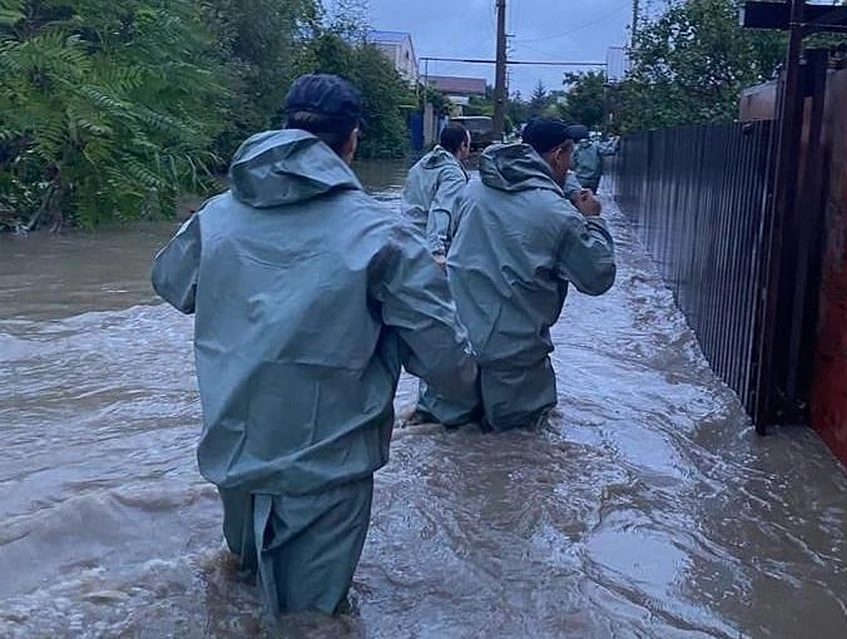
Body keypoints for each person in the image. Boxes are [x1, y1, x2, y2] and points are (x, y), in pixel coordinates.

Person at [150, 74, 478, 616]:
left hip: (234, 454)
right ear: (351, 141)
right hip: (325, 472)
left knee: (244, 594)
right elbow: (450, 365)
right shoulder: (382, 234)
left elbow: (170, 284)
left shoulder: (217, 215)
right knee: (310, 620)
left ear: (284, 128)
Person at [421, 117, 617, 431]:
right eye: (569, 157)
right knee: (520, 454)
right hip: (514, 371)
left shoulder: (472, 190)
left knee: (442, 443)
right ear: (559, 155)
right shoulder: (558, 214)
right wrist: (593, 220)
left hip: (452, 355)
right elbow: (598, 277)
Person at [400, 123, 471, 269]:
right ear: (463, 145)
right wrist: (437, 251)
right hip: (430, 250)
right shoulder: (454, 175)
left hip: (407, 241)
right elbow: (441, 208)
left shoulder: (419, 166)